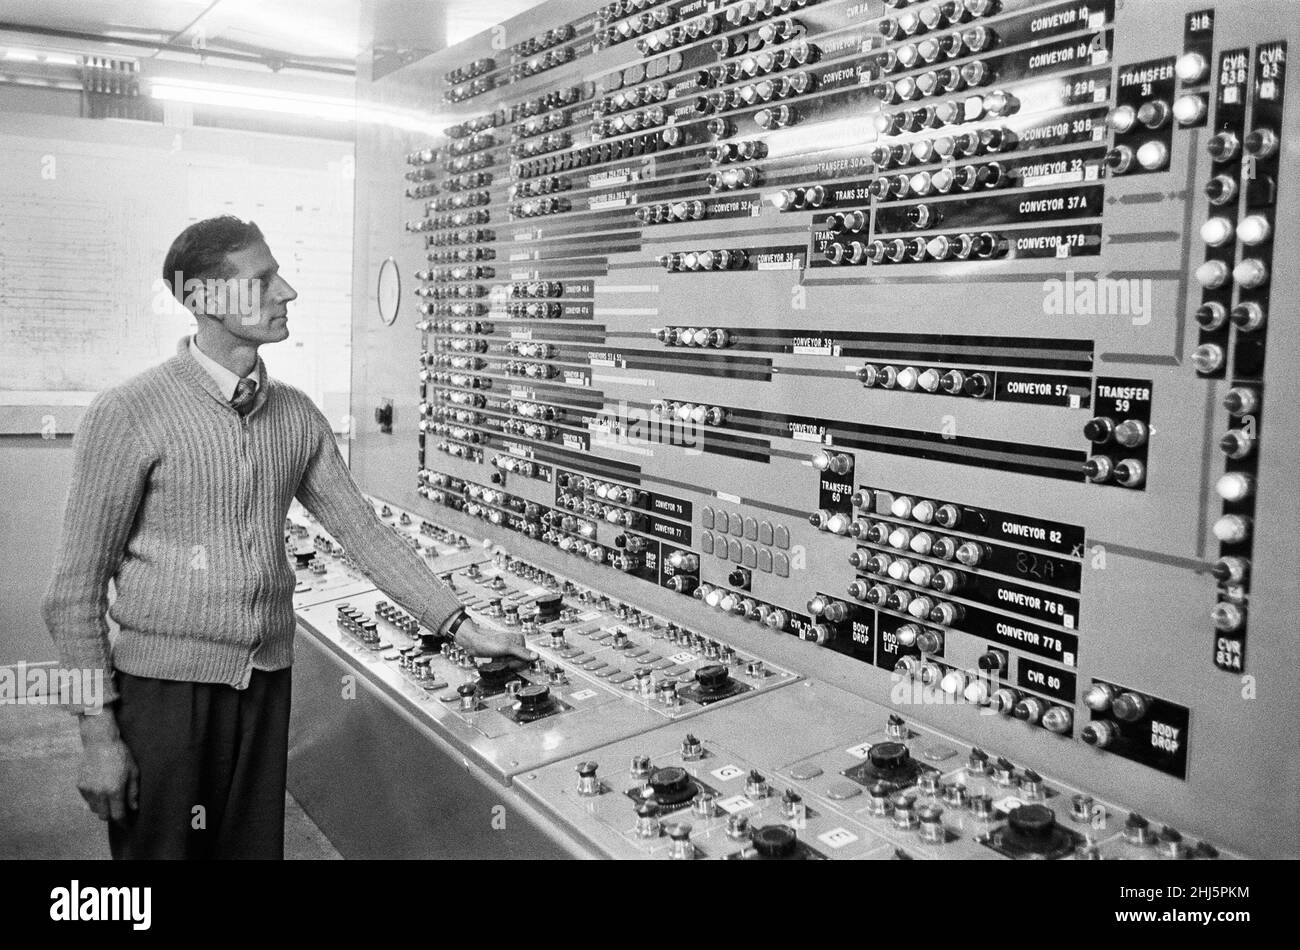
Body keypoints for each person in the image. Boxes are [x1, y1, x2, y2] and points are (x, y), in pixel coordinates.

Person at [42, 215, 534, 859]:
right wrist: (97, 736)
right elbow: (72, 594)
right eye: (264, 279)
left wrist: (459, 624)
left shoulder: (296, 414)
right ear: (205, 298)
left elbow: (362, 533)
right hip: (165, 695)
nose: (288, 292)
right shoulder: (129, 412)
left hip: (267, 681)